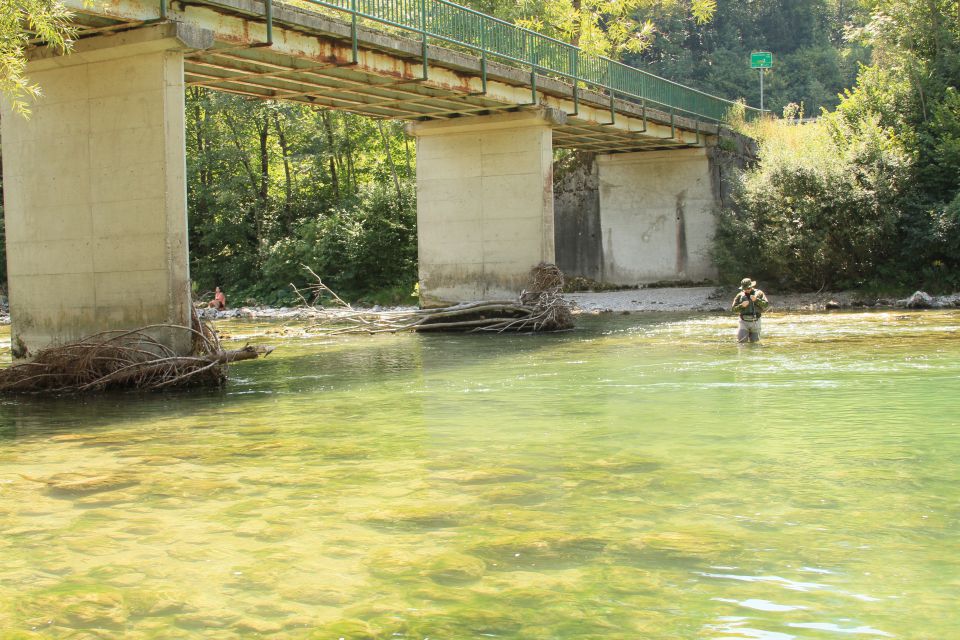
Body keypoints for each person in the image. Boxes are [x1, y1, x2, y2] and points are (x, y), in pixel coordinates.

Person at [731, 277, 769, 343]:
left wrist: (756, 300)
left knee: (755, 344)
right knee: (742, 343)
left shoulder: (759, 293)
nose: (747, 290)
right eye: (744, 289)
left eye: (748, 288)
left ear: (751, 286)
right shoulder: (739, 295)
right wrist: (741, 305)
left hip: (756, 322)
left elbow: (765, 305)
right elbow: (733, 309)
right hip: (743, 322)